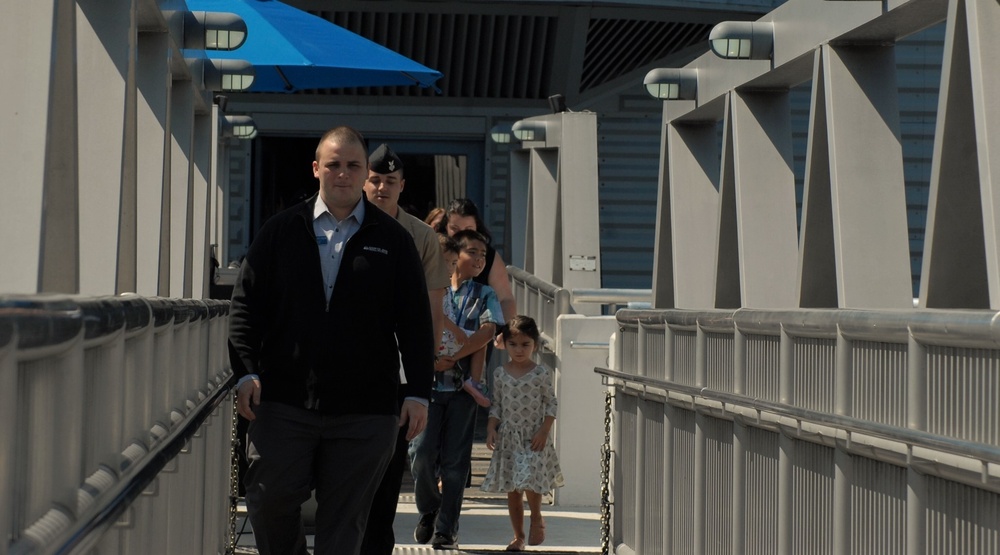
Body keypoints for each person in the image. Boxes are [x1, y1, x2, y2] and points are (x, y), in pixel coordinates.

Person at [228, 126, 434, 555]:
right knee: (267, 498)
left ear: (365, 173)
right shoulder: (280, 231)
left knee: (345, 523)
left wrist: (418, 392)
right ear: (316, 168)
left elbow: (415, 323)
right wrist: (245, 372)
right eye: (334, 164)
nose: (343, 173)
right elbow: (245, 306)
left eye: (353, 165)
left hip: (366, 410)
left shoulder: (394, 241)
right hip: (283, 401)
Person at [360, 143, 451, 555]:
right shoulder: (342, 224)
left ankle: (376, 542)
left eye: (389, 181)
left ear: (402, 186)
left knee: (389, 465)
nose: (381, 187)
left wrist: (423, 375)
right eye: (375, 179)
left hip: (397, 372)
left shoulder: (420, 236)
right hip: (345, 366)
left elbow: (433, 306)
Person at [410, 229, 505, 549]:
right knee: (421, 455)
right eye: (473, 253)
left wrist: (453, 357)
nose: (480, 259)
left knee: (455, 463)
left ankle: (446, 528)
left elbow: (488, 331)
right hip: (428, 386)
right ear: (455, 256)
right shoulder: (433, 289)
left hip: (463, 390)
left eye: (483, 255)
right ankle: (428, 508)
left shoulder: (485, 294)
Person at [480, 315, 564, 552]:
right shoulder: (499, 373)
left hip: (533, 437)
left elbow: (551, 404)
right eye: (513, 344)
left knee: (530, 481)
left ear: (535, 345)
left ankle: (536, 516)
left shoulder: (540, 374)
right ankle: (518, 536)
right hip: (509, 438)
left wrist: (544, 431)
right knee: (513, 489)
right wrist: (490, 428)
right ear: (504, 344)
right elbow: (496, 404)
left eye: (525, 344)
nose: (519, 350)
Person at [435, 198, 517, 323]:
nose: (462, 235)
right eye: (454, 229)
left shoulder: (489, 258)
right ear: (445, 227)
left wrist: (506, 334)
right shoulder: (434, 251)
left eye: (468, 229)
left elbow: (505, 299)